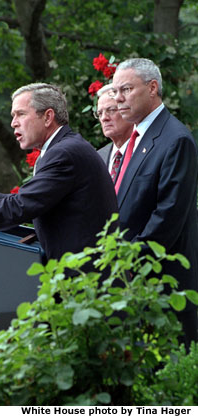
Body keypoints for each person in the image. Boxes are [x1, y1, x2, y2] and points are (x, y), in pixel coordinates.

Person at [0, 82, 118, 266]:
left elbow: (22, 206)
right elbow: (33, 201)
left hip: (86, 278)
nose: (13, 123)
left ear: (48, 117)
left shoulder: (63, 154)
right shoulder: (60, 148)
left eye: (20, 114)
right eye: (13, 116)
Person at [110, 58, 198, 349]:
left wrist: (128, 261)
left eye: (125, 89)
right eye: (114, 91)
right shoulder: (137, 138)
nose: (118, 98)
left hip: (158, 280)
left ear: (152, 88)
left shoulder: (175, 140)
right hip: (131, 282)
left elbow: (167, 216)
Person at [96, 83, 133, 181]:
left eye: (111, 110)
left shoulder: (145, 151)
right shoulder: (98, 157)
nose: (104, 118)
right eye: (100, 113)